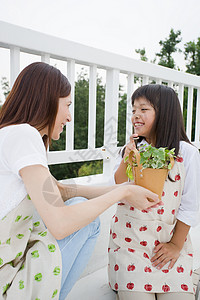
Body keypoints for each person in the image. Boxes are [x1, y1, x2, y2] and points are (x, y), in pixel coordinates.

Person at [0, 62, 161, 300]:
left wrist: (125, 187)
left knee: (75, 202)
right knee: (88, 222)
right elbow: (61, 224)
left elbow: (62, 190)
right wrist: (122, 195)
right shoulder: (24, 135)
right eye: (67, 105)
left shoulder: (12, 134)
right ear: (47, 100)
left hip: (9, 267)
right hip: (7, 281)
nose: (69, 116)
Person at [108, 84, 200, 300]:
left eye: (143, 109)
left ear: (165, 114)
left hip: (168, 244)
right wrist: (126, 159)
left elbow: (191, 205)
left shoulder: (187, 153)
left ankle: (191, 278)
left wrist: (176, 245)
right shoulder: (131, 149)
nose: (135, 116)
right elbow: (117, 186)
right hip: (130, 246)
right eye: (133, 110)